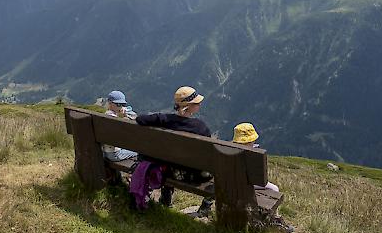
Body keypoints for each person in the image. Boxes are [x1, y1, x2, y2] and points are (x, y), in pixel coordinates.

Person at [135, 86, 214, 216]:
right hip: (193, 176)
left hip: (169, 171)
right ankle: (205, 207)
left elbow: (140, 119)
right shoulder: (200, 128)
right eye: (197, 103)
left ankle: (166, 199)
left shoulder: (164, 119)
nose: (200, 104)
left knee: (171, 158)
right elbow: (208, 153)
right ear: (188, 106)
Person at [232, 122, 279, 192]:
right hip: (248, 183)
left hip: (231, 181)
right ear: (253, 140)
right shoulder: (255, 154)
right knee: (275, 188)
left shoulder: (227, 148)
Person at [102, 90, 138, 161]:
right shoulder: (113, 119)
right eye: (118, 104)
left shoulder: (106, 115)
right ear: (110, 103)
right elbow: (135, 117)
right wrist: (123, 117)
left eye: (122, 105)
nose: (120, 107)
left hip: (106, 152)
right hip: (115, 154)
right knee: (140, 151)